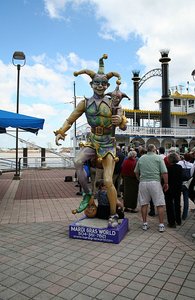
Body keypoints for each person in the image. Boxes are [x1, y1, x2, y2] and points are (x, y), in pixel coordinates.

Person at [54, 54, 128, 227]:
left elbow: (123, 124)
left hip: (108, 143)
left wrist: (121, 121)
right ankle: (87, 193)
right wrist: (61, 132)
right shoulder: (85, 103)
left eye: (103, 83)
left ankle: (113, 214)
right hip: (93, 140)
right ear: (91, 84)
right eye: (97, 83)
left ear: (108, 85)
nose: (100, 86)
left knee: (108, 181)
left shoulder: (113, 103)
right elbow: (70, 119)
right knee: (77, 161)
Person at [134, 144, 168, 232]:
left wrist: (139, 179)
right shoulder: (158, 158)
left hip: (143, 182)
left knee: (144, 204)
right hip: (155, 182)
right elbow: (164, 172)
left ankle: (145, 224)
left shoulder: (141, 158)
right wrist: (166, 183)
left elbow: (136, 172)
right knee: (159, 204)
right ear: (154, 150)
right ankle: (161, 225)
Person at [164, 152, 183, 227]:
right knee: (177, 204)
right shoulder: (180, 167)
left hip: (169, 188)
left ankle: (172, 222)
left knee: (169, 205)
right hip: (178, 188)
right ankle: (178, 220)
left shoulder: (167, 168)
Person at [177, 152, 194, 220]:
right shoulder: (192, 165)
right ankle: (184, 215)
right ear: (190, 159)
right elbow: (191, 175)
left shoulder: (180, 163)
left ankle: (177, 212)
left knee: (177, 199)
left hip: (179, 183)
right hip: (187, 184)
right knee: (186, 199)